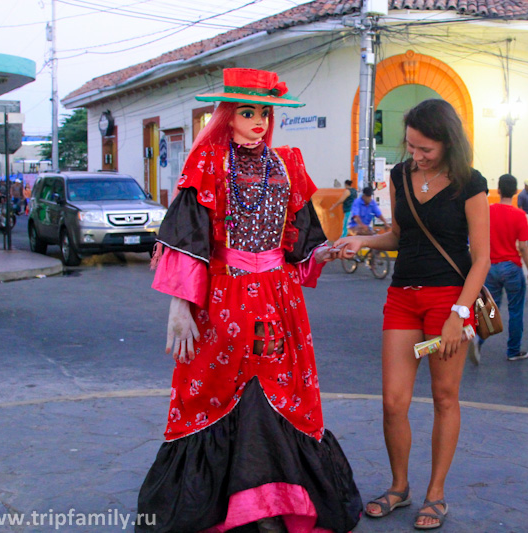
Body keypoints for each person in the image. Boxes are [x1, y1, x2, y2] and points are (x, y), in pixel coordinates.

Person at [136, 68, 362, 533]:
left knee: (277, 393)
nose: (258, 121)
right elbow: (188, 237)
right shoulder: (207, 166)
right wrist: (180, 308)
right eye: (247, 112)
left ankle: (273, 504)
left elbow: (299, 240)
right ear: (227, 117)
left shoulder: (287, 165)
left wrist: (326, 250)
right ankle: (224, 507)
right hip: (223, 300)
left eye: (264, 111)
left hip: (279, 300)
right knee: (216, 391)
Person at [335, 99, 490, 530]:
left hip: (447, 304)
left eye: (426, 150)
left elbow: (482, 258)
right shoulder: (400, 175)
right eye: (412, 147)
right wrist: (361, 241)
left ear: (447, 142)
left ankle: (435, 494)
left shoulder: (470, 184)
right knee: (393, 401)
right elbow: (400, 235)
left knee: (444, 396)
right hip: (402, 296)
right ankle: (399, 486)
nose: (417, 157)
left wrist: (459, 315)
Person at [469, 174, 528, 364]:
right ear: (515, 192)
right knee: (515, 311)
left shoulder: (487, 212)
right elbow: (523, 247)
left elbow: (476, 239)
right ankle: (513, 350)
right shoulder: (519, 215)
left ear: (498, 190)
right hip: (512, 267)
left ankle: (479, 339)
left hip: (491, 267)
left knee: (490, 308)